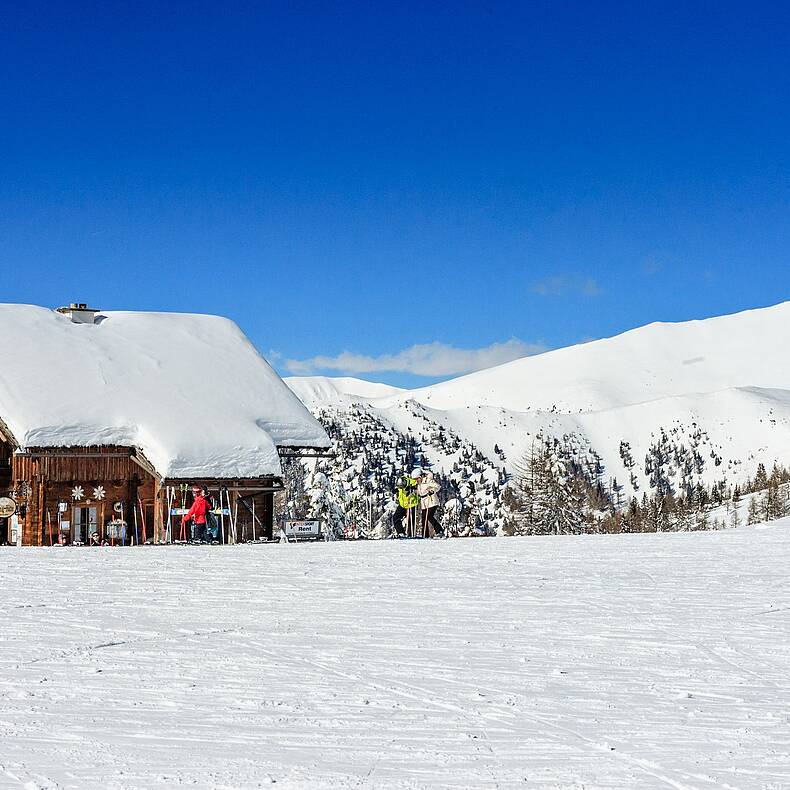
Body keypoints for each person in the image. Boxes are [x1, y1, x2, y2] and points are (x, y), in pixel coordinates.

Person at [392, 469, 420, 537]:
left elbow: (419, 489)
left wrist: (412, 489)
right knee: (395, 517)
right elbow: (399, 489)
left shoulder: (412, 482)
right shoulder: (400, 484)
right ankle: (401, 533)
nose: (401, 488)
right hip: (402, 505)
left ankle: (411, 535)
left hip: (411, 504)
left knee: (410, 520)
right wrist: (396, 490)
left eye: (402, 487)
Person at [417, 469, 444, 538]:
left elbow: (438, 486)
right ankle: (425, 535)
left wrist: (432, 490)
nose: (416, 480)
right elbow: (420, 492)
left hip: (432, 501)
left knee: (429, 516)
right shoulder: (419, 484)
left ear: (421, 476)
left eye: (417, 478)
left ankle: (439, 531)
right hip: (424, 503)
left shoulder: (428, 481)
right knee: (423, 519)